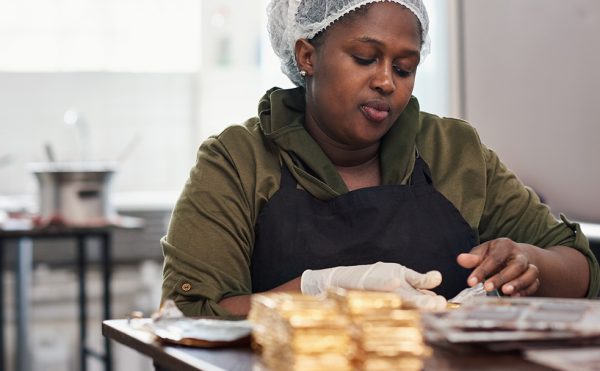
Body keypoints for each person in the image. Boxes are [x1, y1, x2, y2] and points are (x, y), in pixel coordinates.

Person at [161, 0, 599, 317]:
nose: (387, 82)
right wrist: (316, 292)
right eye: (365, 58)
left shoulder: (453, 151)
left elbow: (581, 270)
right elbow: (189, 317)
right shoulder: (238, 163)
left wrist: (530, 264)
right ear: (307, 56)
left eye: (404, 68)